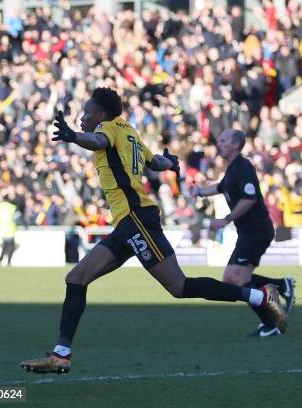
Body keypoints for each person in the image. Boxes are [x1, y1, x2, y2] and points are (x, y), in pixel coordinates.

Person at [20, 88, 286, 374]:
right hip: (126, 224)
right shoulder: (128, 131)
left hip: (136, 220)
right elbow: (154, 161)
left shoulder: (107, 129)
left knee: (179, 287)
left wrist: (74, 136)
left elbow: (97, 139)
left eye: (87, 111)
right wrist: (169, 162)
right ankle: (61, 355)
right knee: (76, 278)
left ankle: (260, 296)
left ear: (101, 114)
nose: (82, 116)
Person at [193, 129, 295, 337]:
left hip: (256, 231)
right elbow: (221, 187)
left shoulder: (243, 166)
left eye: (223, 140)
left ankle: (271, 322)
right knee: (231, 278)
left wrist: (226, 220)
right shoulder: (232, 169)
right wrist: (200, 191)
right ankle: (280, 287)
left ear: (236, 146)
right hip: (248, 231)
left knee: (236, 279)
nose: (218, 143)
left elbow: (249, 199)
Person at [0, 192, 18, 266]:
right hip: (10, 229)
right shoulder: (12, 207)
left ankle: (0, 260)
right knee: (10, 247)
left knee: (4, 247)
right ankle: (9, 262)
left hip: (0, 229)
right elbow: (17, 217)